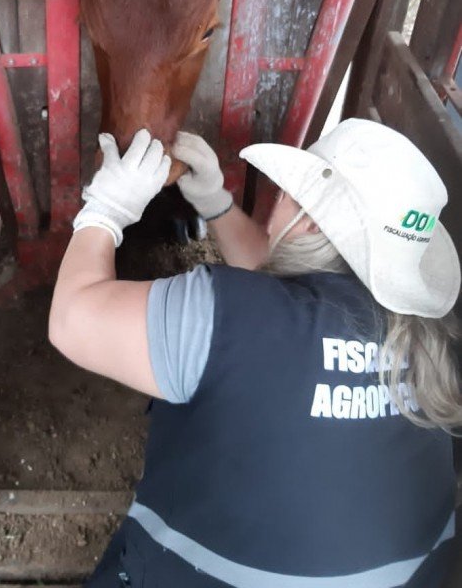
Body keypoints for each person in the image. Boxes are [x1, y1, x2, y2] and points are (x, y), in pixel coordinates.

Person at [49, 119, 462, 588]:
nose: (276, 201)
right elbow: (289, 290)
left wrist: (105, 210)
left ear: (308, 219)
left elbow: (71, 320)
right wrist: (216, 204)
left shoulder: (226, 312)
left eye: (286, 194)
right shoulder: (433, 347)